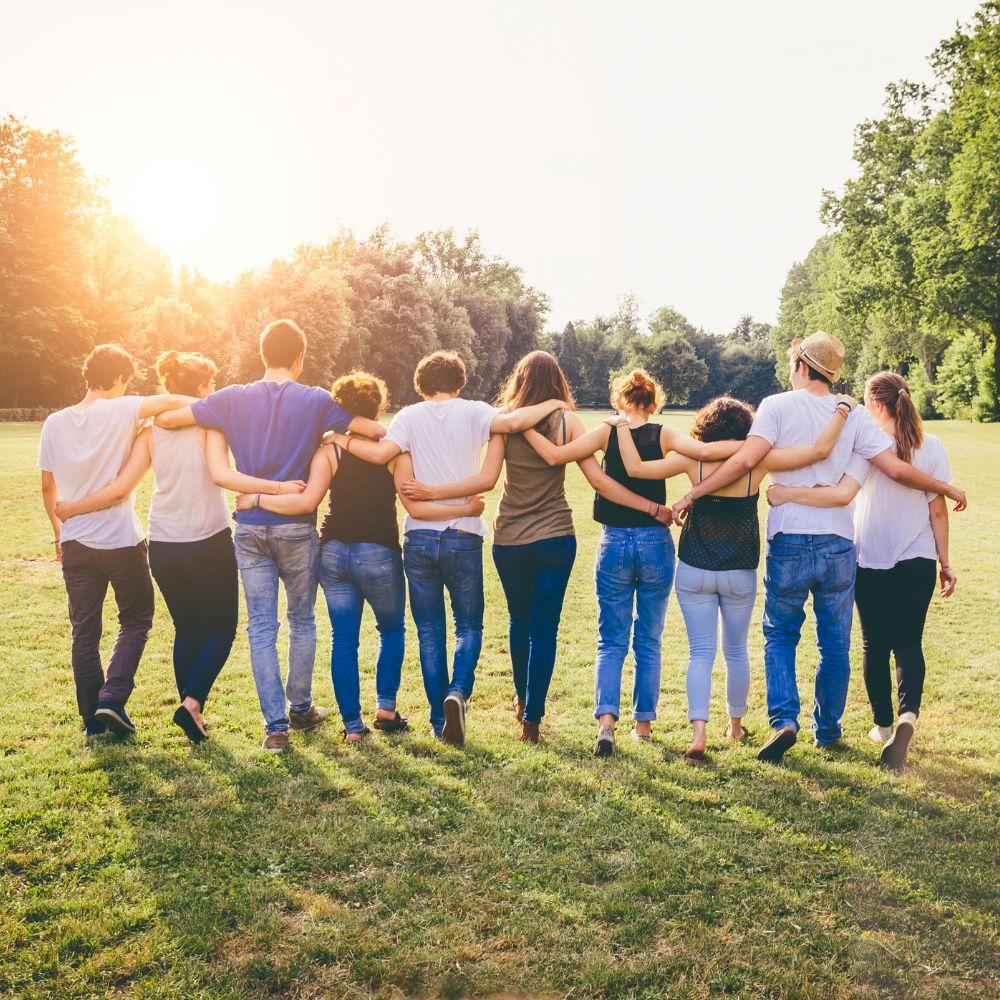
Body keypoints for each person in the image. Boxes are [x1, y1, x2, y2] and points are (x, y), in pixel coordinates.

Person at [670, 331, 967, 764]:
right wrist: (946, 487)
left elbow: (743, 461)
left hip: (788, 538)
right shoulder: (856, 415)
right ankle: (826, 731)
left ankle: (785, 721)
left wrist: (691, 496)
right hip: (838, 544)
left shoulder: (775, 406)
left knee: (780, 636)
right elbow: (897, 471)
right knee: (834, 643)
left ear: (801, 366)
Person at [398, 351, 674, 743]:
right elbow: (598, 480)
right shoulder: (567, 420)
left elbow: (488, 476)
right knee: (545, 629)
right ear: (557, 383)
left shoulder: (504, 422)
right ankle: (533, 717)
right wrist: (651, 507)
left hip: (511, 537)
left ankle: (521, 698)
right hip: (555, 536)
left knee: (518, 622)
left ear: (520, 380)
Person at [155, 320, 386, 752]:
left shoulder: (229, 400)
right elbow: (375, 430)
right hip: (297, 527)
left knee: (262, 625)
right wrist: (334, 432)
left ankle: (275, 727)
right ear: (299, 357)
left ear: (263, 355)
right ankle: (301, 708)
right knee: (301, 620)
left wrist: (192, 400)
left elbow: (167, 418)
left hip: (250, 529)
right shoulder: (316, 400)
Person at [52, 351, 304, 742]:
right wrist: (276, 487)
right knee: (220, 628)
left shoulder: (150, 433)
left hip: (164, 544)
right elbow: (225, 476)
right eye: (212, 387)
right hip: (207, 539)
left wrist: (71, 508)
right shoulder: (211, 426)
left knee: (187, 627)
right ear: (204, 389)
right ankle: (192, 703)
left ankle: (193, 714)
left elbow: (121, 487)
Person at [327, 350, 571, 745]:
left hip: (419, 537)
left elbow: (380, 454)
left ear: (419, 385)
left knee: (429, 631)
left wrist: (339, 436)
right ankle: (458, 691)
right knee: (469, 625)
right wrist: (554, 401)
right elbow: (513, 420)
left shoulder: (406, 418)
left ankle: (440, 720)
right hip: (463, 535)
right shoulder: (475, 411)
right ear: (459, 382)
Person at [234, 370, 486, 742]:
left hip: (333, 552)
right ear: (378, 407)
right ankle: (385, 706)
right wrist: (467, 507)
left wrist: (255, 499)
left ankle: (352, 726)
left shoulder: (330, 450)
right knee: (392, 629)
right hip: (379, 551)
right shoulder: (394, 451)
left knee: (344, 640)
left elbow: (309, 500)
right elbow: (412, 503)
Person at [614, 393, 854, 760]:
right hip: (740, 569)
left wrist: (619, 426)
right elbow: (817, 450)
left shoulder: (690, 460)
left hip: (694, 567)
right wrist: (841, 410)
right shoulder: (759, 462)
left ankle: (698, 733)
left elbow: (635, 469)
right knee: (736, 651)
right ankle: (736, 725)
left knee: (700, 653)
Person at [520, 369, 736, 757]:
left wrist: (521, 429)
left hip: (615, 542)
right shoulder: (664, 433)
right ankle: (643, 724)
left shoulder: (606, 431)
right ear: (654, 404)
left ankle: (606, 722)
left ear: (620, 400)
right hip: (655, 543)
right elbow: (704, 453)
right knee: (649, 639)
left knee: (611, 638)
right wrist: (752, 446)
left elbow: (556, 456)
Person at [766, 371, 957, 769]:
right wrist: (945, 560)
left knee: (874, 643)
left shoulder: (868, 443)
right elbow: (936, 509)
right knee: (908, 643)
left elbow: (843, 492)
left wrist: (787, 493)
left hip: (870, 556)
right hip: (918, 556)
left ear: (873, 404)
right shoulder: (932, 445)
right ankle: (906, 717)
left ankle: (884, 727)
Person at [38, 344, 197, 737]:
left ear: (87, 375)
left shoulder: (54, 422)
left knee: (85, 630)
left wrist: (60, 535)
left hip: (74, 542)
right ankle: (112, 699)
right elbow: (176, 399)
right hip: (120, 541)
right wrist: (214, 405)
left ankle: (92, 717)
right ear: (121, 378)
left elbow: (47, 486)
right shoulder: (124, 407)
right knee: (138, 618)